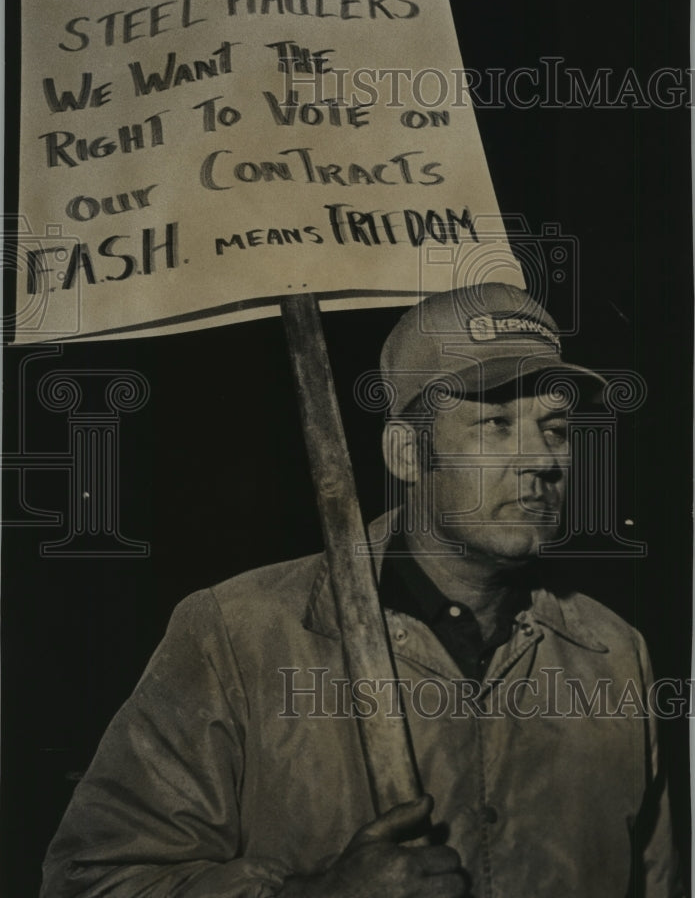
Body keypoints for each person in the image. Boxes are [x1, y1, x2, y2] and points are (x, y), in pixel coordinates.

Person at [41, 283, 683, 898]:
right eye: (495, 424)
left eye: (556, 427)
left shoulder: (616, 653)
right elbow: (92, 881)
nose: (543, 459)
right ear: (407, 453)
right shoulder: (239, 637)